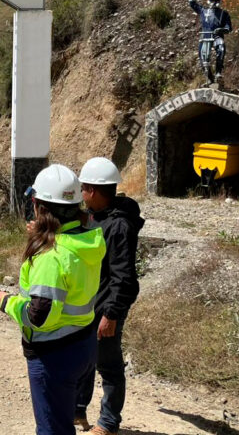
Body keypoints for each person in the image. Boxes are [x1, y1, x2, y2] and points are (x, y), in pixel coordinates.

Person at [0, 164, 106, 435]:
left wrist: (7, 302)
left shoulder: (52, 256)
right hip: (83, 343)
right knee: (62, 422)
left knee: (52, 429)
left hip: (54, 354)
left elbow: (39, 317)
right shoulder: (87, 240)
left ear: (38, 205)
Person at [73, 157, 144, 435]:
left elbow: (123, 275)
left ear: (92, 190)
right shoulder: (94, 217)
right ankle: (78, 411)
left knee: (108, 364)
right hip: (90, 303)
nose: (81, 194)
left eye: (83, 188)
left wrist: (111, 314)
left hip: (107, 307)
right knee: (83, 359)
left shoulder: (119, 226)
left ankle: (108, 423)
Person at [189, 0, 233, 85]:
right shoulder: (204, 11)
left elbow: (228, 27)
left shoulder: (223, 13)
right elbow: (192, 4)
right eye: (213, 0)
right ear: (209, 1)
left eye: (217, 0)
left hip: (217, 35)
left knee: (221, 49)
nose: (215, 3)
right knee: (204, 58)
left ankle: (218, 73)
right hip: (205, 35)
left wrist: (222, 30)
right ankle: (209, 78)